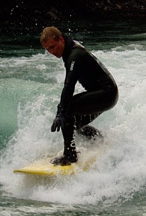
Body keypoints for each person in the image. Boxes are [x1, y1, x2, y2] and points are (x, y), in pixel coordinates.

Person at [40, 26, 118, 166]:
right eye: (48, 49)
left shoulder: (75, 55)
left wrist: (61, 112)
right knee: (73, 122)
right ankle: (99, 141)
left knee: (68, 109)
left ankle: (70, 155)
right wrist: (61, 111)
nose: (51, 52)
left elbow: (69, 86)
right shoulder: (69, 48)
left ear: (61, 40)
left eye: (53, 47)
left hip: (107, 94)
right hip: (104, 94)